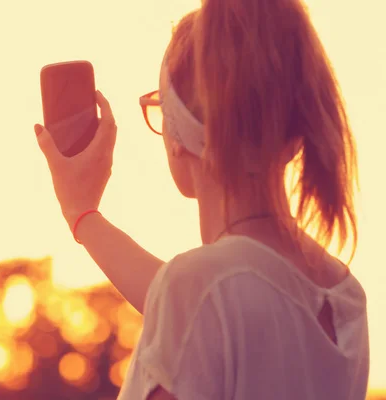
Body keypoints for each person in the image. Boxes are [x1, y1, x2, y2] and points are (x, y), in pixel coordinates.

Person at [34, 0, 369, 398]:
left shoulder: (202, 289)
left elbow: (204, 296)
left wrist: (79, 209)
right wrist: (82, 214)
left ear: (179, 136)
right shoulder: (345, 296)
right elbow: (220, 294)